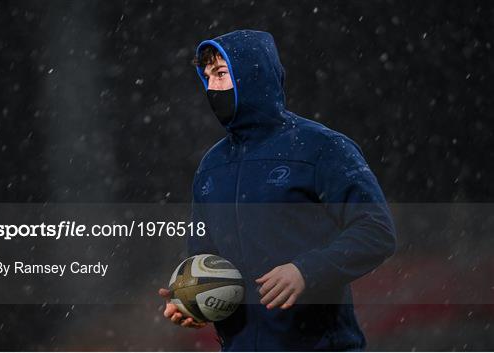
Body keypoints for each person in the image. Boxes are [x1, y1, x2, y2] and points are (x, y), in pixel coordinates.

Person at [158, 29, 397, 351]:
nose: (213, 88)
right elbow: (205, 255)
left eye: (222, 74)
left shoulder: (321, 147)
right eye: (207, 77)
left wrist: (306, 271)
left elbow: (376, 231)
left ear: (253, 75)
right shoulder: (211, 165)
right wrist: (192, 298)